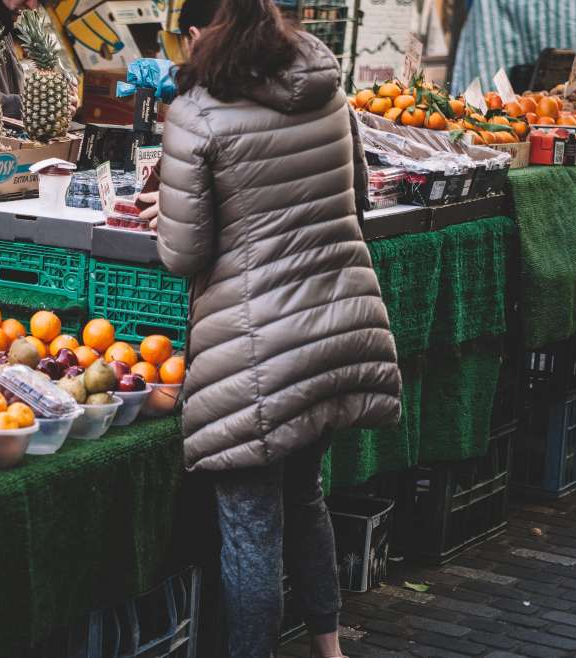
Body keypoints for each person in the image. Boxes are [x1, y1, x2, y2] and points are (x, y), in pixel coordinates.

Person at [139, 1, 403, 656]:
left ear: (202, 32)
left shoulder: (198, 112)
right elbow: (357, 195)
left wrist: (166, 213)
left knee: (251, 531)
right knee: (304, 496)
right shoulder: (325, 87)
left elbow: (183, 254)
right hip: (335, 325)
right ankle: (328, 647)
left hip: (258, 348)